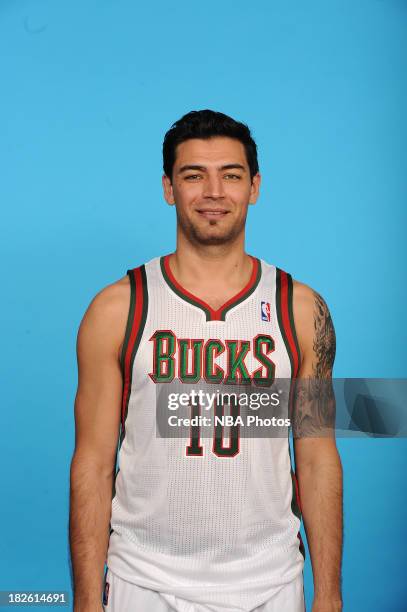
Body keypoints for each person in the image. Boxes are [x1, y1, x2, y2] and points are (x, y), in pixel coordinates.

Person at [69, 109, 343, 612]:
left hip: (271, 580)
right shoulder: (118, 309)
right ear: (169, 188)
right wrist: (87, 600)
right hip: (143, 580)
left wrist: (329, 593)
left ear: (254, 186)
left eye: (231, 175)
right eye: (193, 175)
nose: (213, 192)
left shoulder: (300, 309)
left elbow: (317, 455)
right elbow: (92, 461)